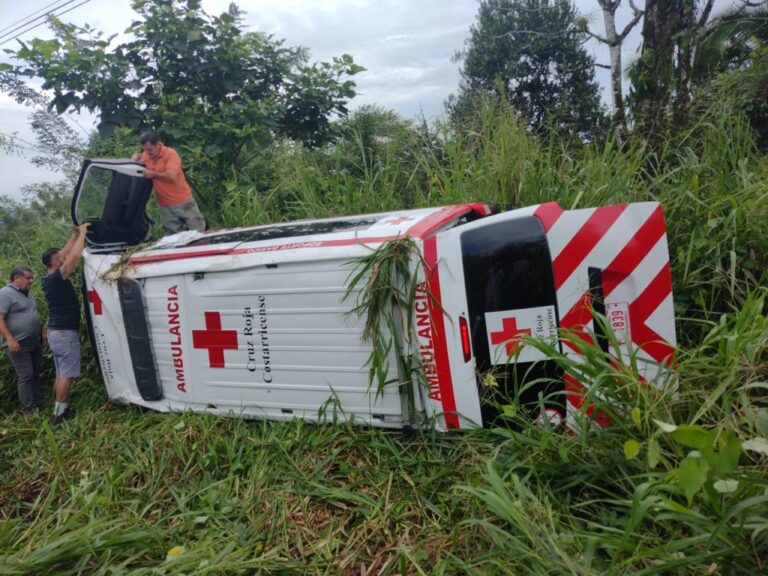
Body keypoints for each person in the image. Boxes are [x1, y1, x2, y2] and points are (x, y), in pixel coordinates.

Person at [41, 223, 90, 425]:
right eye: (60, 256)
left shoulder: (48, 277)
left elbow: (65, 253)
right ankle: (60, 414)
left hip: (56, 332)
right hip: (63, 333)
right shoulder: (57, 277)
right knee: (66, 375)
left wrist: (74, 235)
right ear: (55, 261)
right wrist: (84, 235)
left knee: (62, 372)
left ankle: (59, 406)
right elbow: (74, 257)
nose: (64, 255)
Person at [131, 130, 206, 235]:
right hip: (164, 204)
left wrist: (153, 174)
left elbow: (172, 176)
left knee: (197, 230)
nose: (148, 153)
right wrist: (133, 161)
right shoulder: (146, 155)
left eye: (150, 150)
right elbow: (136, 169)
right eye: (145, 150)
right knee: (175, 234)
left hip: (182, 201)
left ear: (157, 144)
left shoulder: (171, 154)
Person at [0, 266, 44, 417]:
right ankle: (28, 411)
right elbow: (0, 319)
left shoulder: (28, 293)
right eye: (28, 278)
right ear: (16, 278)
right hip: (18, 343)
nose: (31, 281)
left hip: (34, 341)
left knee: (36, 372)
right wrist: (10, 339)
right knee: (26, 375)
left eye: (32, 278)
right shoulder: (5, 294)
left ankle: (40, 404)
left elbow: (34, 313)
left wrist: (42, 332)